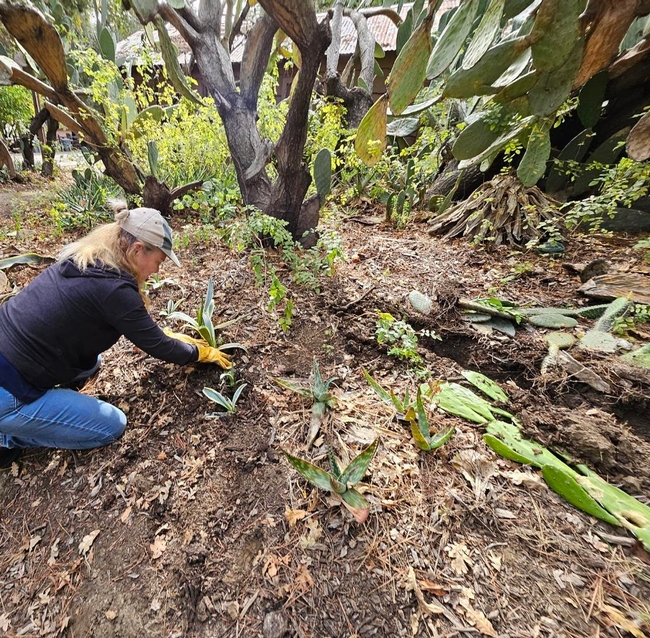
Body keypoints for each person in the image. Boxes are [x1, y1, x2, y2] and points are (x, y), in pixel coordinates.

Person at [0, 202, 231, 468]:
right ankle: (6, 436)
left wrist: (162, 333)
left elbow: (134, 326)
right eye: (158, 261)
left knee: (92, 363)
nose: (157, 271)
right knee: (110, 426)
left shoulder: (87, 258)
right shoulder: (114, 291)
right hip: (10, 390)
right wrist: (199, 353)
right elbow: (157, 346)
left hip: (14, 352)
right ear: (137, 250)